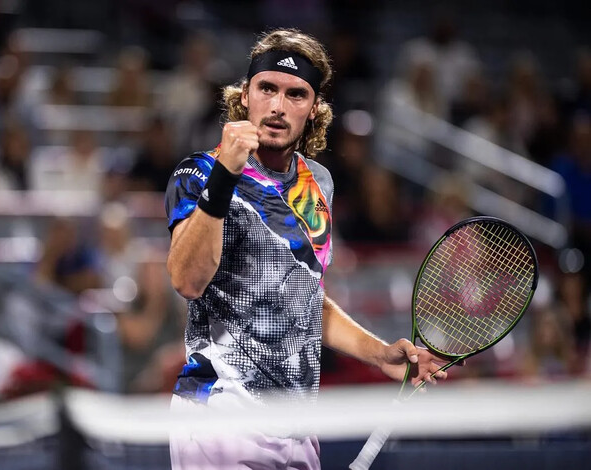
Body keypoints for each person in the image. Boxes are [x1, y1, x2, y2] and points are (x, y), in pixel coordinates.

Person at [164, 29, 452, 469]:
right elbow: (186, 280)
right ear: (244, 96)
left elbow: (303, 300)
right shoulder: (199, 172)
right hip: (218, 421)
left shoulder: (318, 183)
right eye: (267, 89)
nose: (278, 106)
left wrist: (380, 355)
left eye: (296, 94)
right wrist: (224, 177)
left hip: (298, 429)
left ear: (314, 109)